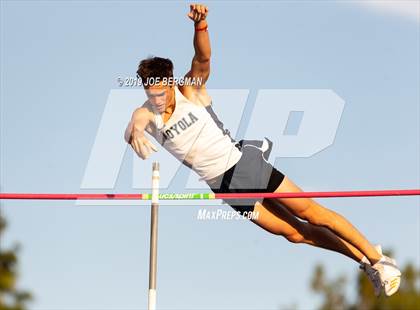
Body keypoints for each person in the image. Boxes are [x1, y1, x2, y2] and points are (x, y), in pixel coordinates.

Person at [124, 3, 401, 297]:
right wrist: (136, 130)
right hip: (224, 186)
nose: (155, 99)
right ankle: (365, 260)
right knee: (294, 233)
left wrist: (200, 26)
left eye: (160, 92)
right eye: (149, 93)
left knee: (313, 214)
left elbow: (203, 57)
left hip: (242, 164)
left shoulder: (188, 91)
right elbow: (134, 123)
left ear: (170, 82)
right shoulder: (146, 113)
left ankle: (378, 259)